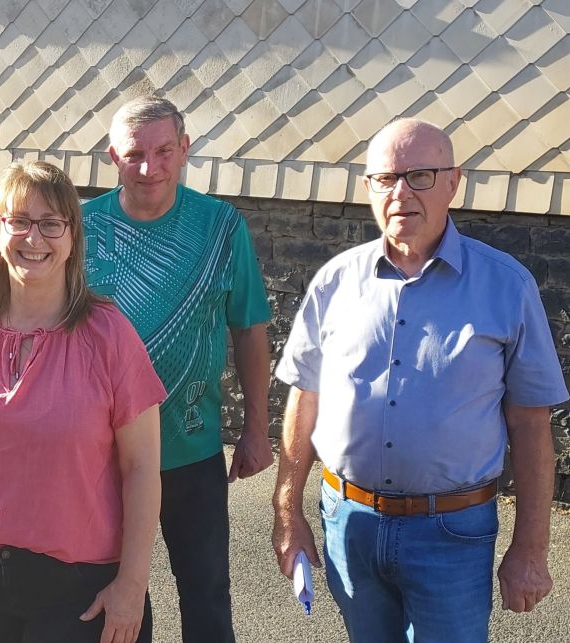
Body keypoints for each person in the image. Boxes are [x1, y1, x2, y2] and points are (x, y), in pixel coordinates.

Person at [271, 118, 569, 642]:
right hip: (348, 523)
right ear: (368, 187)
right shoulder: (335, 281)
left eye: (421, 176)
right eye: (386, 178)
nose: (401, 193)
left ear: (454, 182)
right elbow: (305, 395)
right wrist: (287, 511)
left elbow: (530, 424)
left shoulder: (506, 285)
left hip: (451, 534)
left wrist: (530, 548)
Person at [0, 160, 165, 643]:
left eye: (50, 223)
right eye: (18, 220)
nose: (33, 238)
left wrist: (132, 583)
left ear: (72, 237)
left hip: (78, 589)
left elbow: (142, 467)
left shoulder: (110, 336)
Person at [82, 96, 273, 642]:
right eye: (134, 154)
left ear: (185, 149)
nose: (150, 167)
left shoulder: (220, 226)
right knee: (116, 595)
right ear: (112, 156)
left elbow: (249, 330)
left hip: (191, 448)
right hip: (101, 453)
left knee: (206, 591)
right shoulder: (80, 226)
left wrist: (256, 429)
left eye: (164, 151)